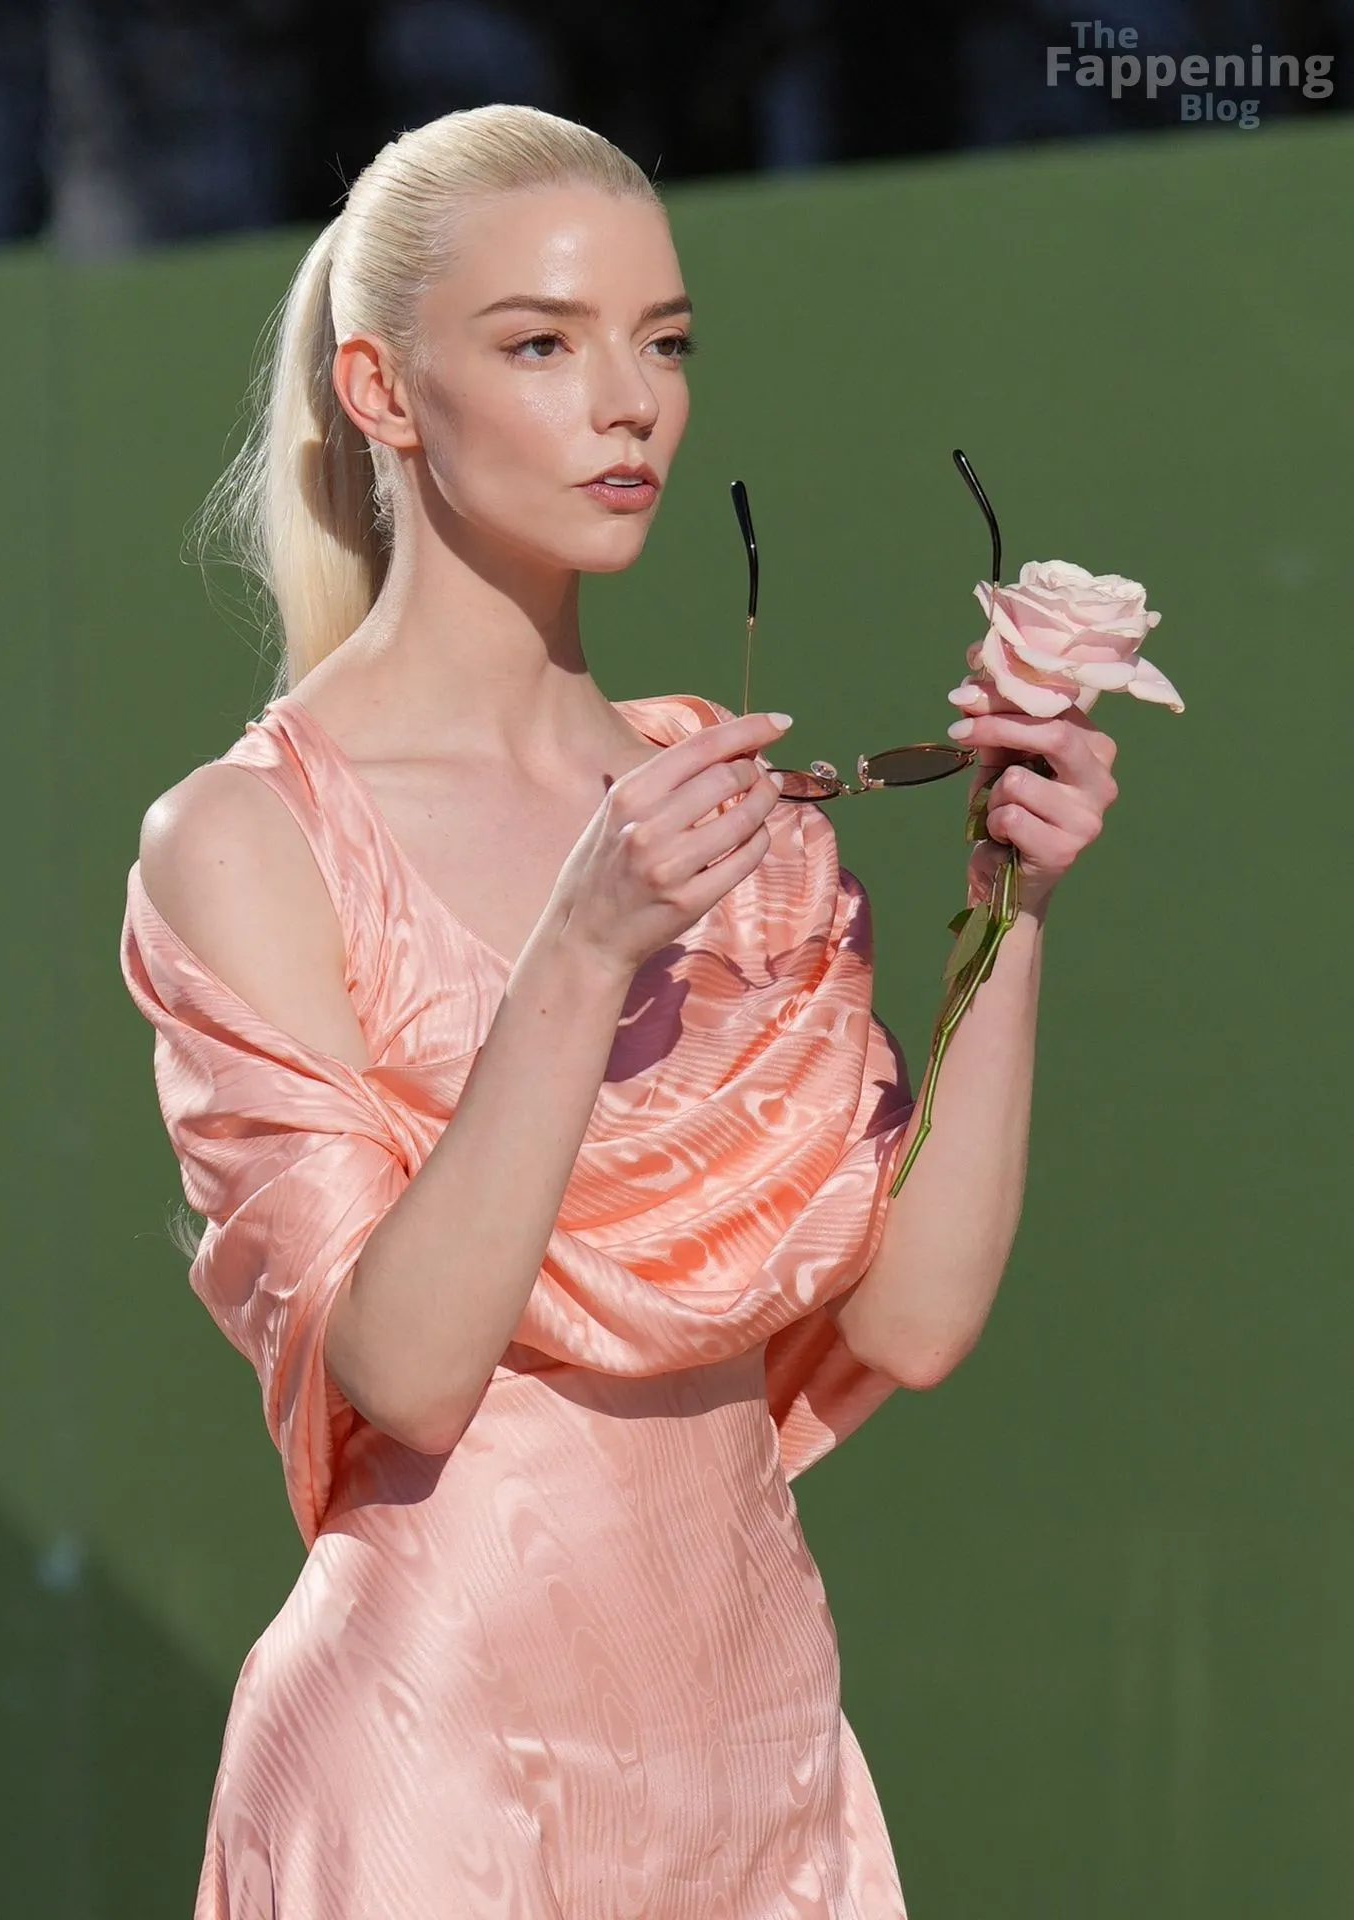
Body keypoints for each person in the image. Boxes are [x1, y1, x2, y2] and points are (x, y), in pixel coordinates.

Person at [119, 102, 1118, 1919]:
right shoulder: (251, 838)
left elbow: (912, 1319)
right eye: (541, 343)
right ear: (381, 390)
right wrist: (583, 953)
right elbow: (405, 1370)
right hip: (434, 1783)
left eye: (663, 342)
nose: (630, 404)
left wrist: (1008, 904)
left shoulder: (733, 803)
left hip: (763, 1779)